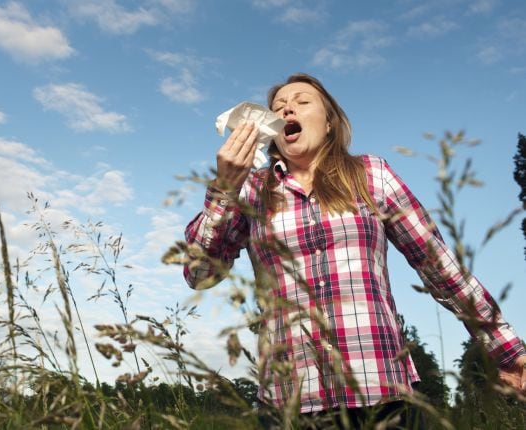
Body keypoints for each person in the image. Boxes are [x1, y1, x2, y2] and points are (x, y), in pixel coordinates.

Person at [183, 73, 526, 426]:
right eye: (278, 107)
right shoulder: (253, 189)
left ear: (329, 122)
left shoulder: (370, 174)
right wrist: (225, 187)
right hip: (291, 402)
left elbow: (438, 265)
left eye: (302, 101)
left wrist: (505, 348)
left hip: (381, 393)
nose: (287, 109)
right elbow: (199, 273)